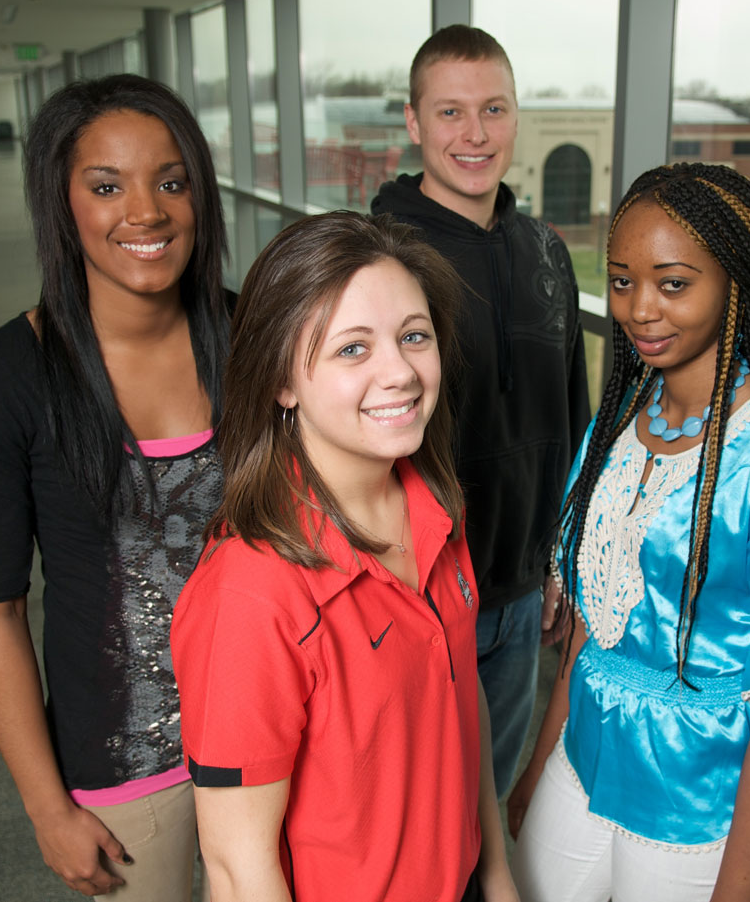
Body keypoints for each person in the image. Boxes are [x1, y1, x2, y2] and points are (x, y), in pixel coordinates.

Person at [507, 163, 750, 902]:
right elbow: (589, 627)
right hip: (582, 759)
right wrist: (538, 763)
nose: (640, 308)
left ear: (734, 280)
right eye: (621, 280)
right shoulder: (618, 421)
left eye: (673, 282)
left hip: (695, 802)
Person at [170, 212, 518, 902]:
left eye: (413, 336)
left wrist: (499, 872)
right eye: (351, 349)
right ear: (282, 383)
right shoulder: (251, 593)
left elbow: (458, 696)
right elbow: (241, 869)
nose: (400, 372)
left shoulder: (436, 507)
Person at [0, 74, 231, 899]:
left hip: (274, 732)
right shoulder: (3, 377)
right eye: (107, 185)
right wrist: (47, 807)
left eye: (171, 181)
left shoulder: (251, 332)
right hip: (125, 765)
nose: (145, 212)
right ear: (61, 201)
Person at [371, 25, 591, 797]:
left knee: (486, 802)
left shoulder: (545, 251)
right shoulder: (379, 256)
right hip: (419, 593)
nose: (475, 134)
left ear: (517, 115)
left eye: (493, 110)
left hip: (523, 595)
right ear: (413, 122)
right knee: (415, 805)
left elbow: (571, 414)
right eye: (451, 112)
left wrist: (559, 561)